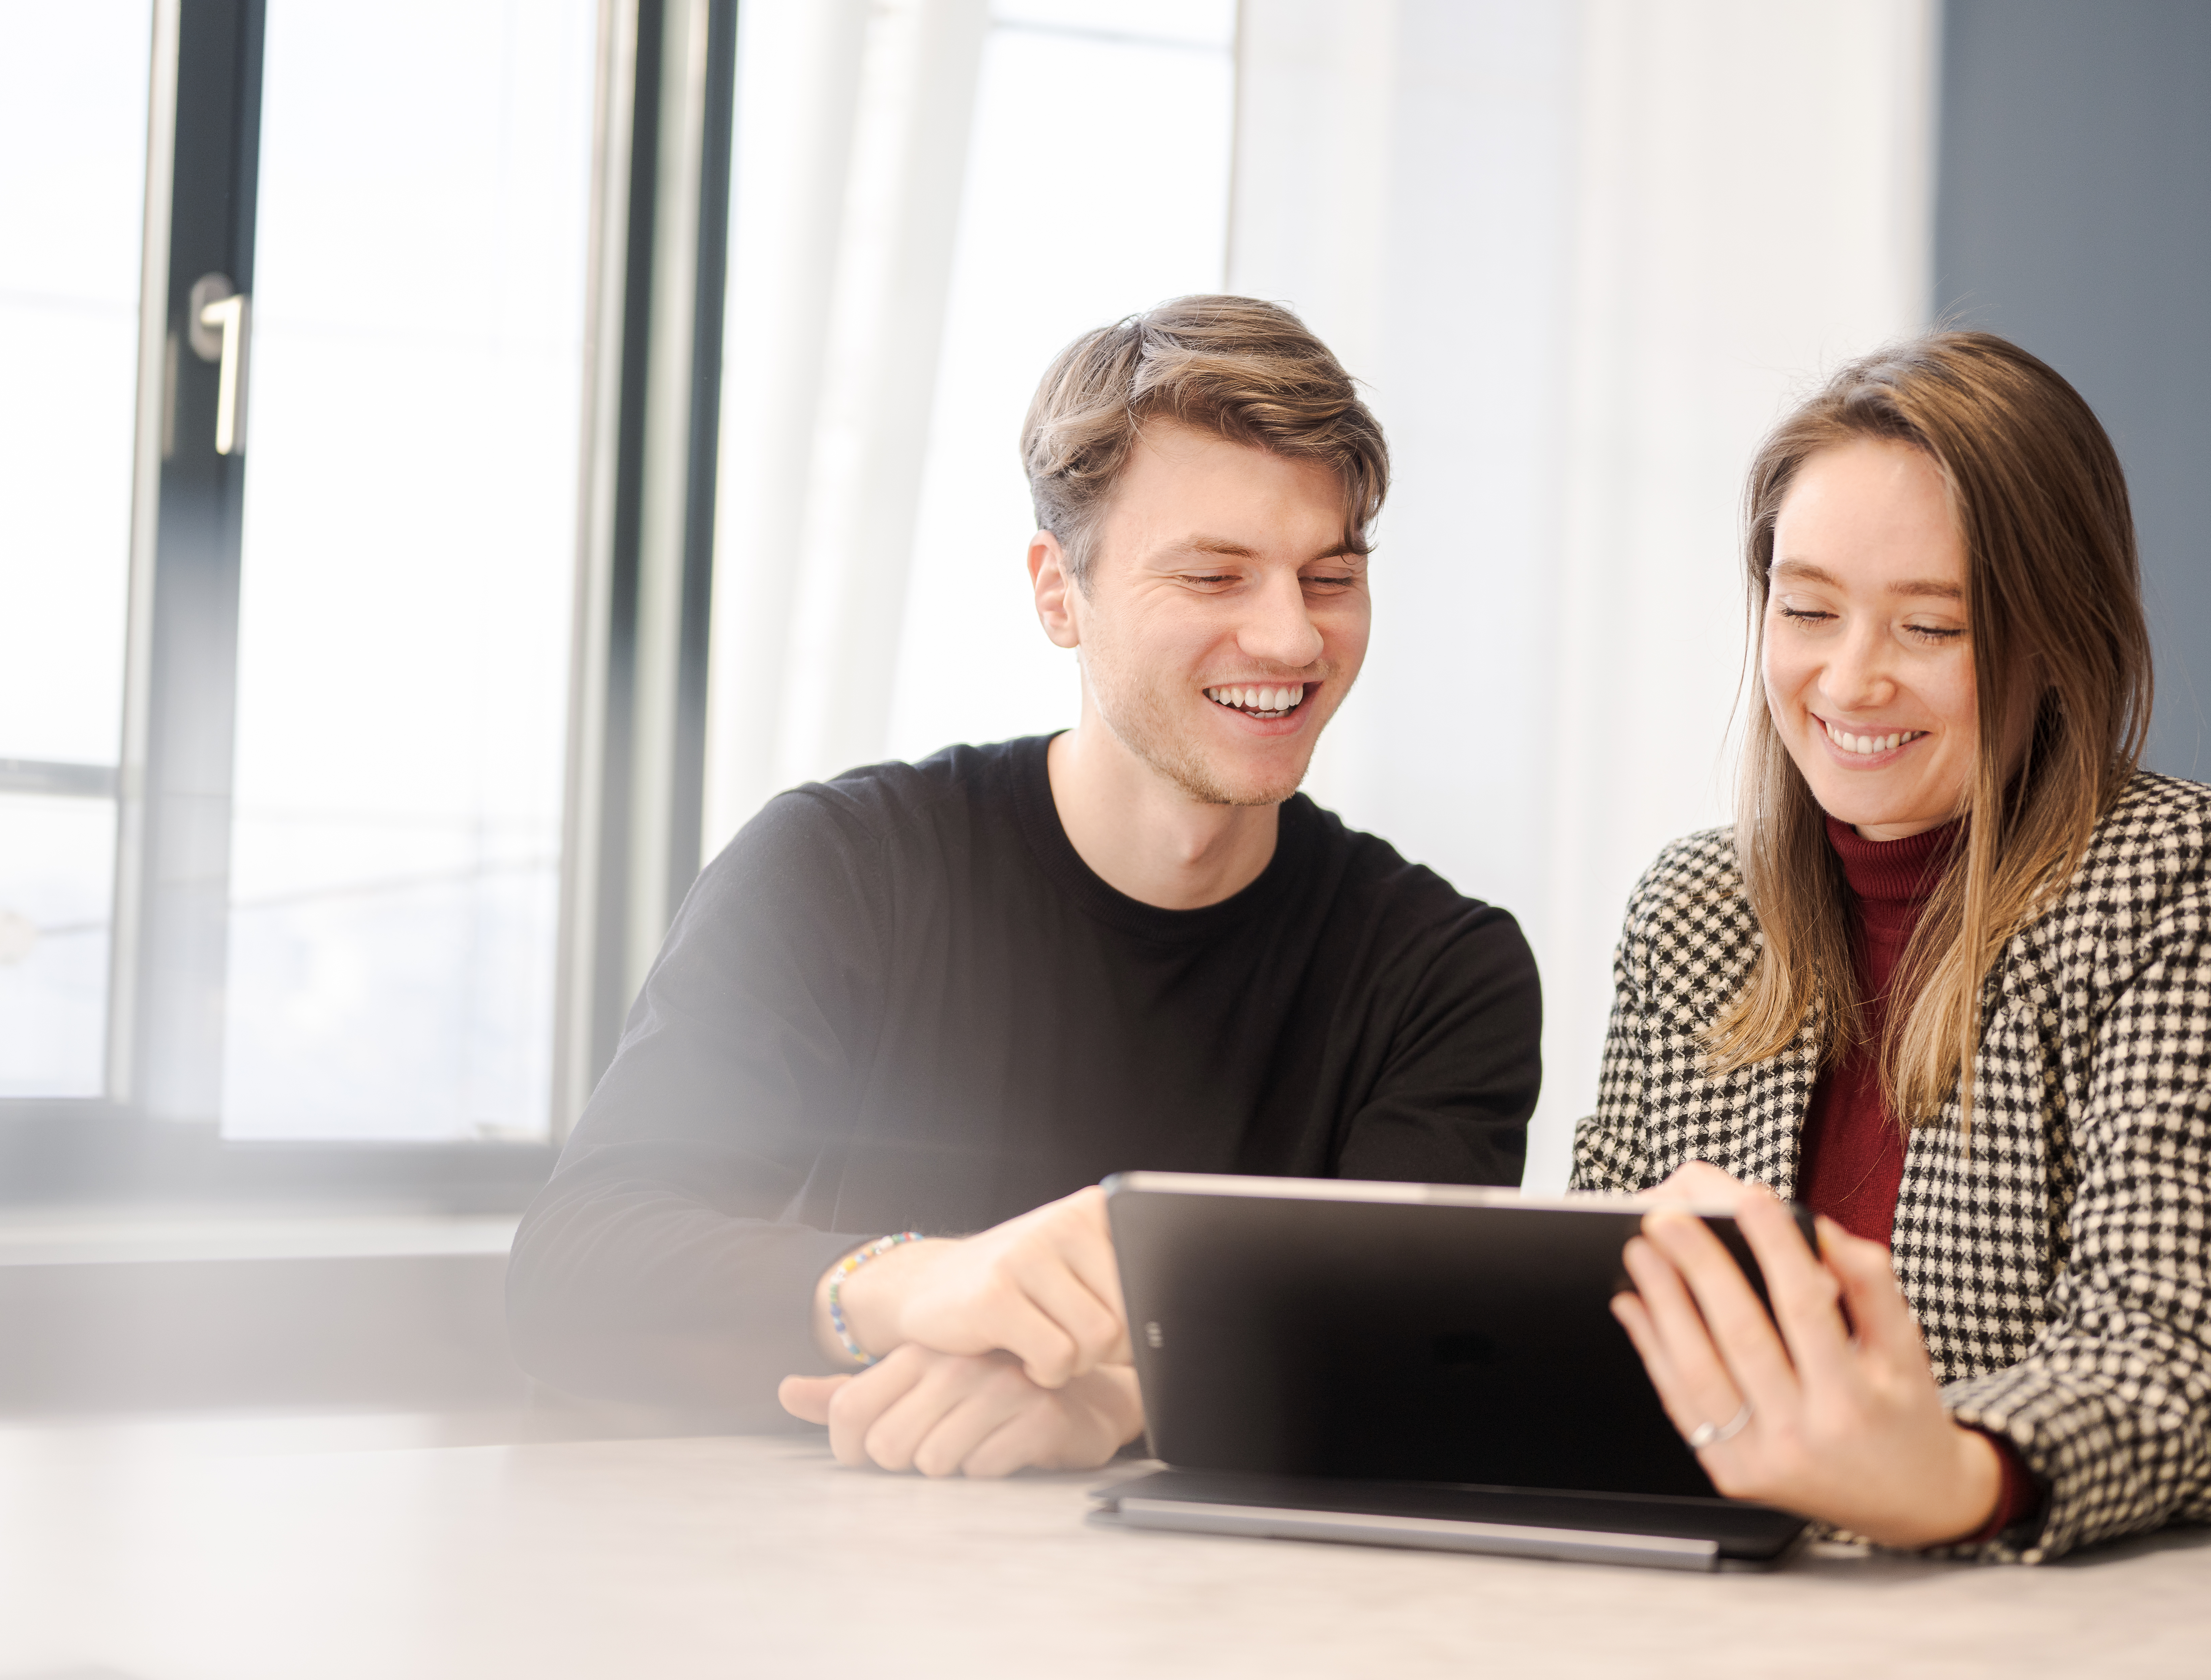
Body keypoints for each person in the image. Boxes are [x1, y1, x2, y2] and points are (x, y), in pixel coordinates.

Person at [507, 296, 1542, 1475]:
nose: (1292, 640)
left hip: (1247, 1625)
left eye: (1328, 577)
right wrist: (919, 1282)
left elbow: (1410, 1357)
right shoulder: (843, 868)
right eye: (1214, 577)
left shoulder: (1446, 972)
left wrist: (1119, 1402)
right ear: (1059, 592)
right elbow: (573, 1274)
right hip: (838, 1589)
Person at [1576, 331, 2211, 1561]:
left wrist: (1949, 1475)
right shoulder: (1695, 910)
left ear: (2057, 639)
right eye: (1809, 610)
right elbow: (1604, 1315)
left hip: (2141, 1621)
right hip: (1767, 1614)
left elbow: (2191, 1350)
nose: (1850, 680)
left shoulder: (2187, 882)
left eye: (1931, 629)